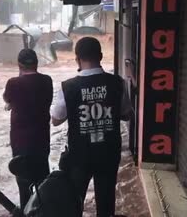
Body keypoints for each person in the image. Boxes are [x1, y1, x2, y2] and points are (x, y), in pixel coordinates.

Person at [51, 37, 131, 217]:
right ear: (101, 56)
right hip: (109, 153)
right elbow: (126, 115)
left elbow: (55, 120)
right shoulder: (117, 83)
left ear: (77, 59)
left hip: (80, 156)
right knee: (106, 204)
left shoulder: (68, 87)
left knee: (74, 202)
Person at [3, 48, 54, 209]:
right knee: (42, 184)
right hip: (41, 141)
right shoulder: (47, 81)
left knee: (24, 186)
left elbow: (7, 98)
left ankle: (26, 212)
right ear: (37, 63)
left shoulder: (13, 83)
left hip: (20, 143)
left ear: (19, 65)